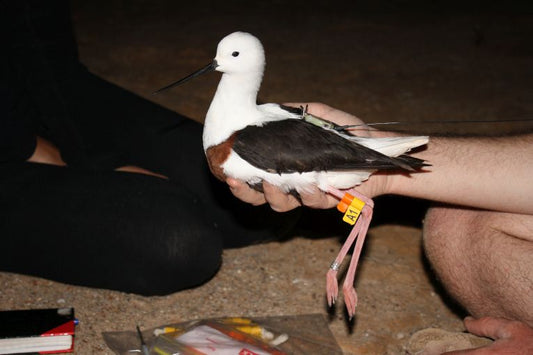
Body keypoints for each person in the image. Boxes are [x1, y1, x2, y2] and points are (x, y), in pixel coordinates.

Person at [1, 0, 296, 295]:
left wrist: (89, 148)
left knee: (266, 195)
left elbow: (35, 30)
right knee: (178, 241)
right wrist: (31, 149)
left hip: (39, 81)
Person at [228, 103, 533, 354]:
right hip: (360, 157)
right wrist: (374, 149)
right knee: (457, 225)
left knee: (435, 225)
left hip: (354, 175)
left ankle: (340, 272)